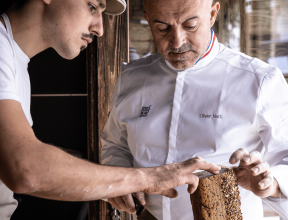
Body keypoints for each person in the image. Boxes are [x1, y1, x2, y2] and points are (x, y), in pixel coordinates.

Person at [0, 0, 222, 219]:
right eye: (92, 6)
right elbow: (26, 170)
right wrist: (149, 179)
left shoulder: (13, 58)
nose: (100, 28)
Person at [100, 0, 288, 219]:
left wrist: (271, 184)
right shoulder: (131, 77)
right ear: (148, 19)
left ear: (212, 13)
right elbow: (114, 145)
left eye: (190, 25)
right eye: (162, 28)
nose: (177, 41)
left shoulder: (261, 80)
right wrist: (120, 181)